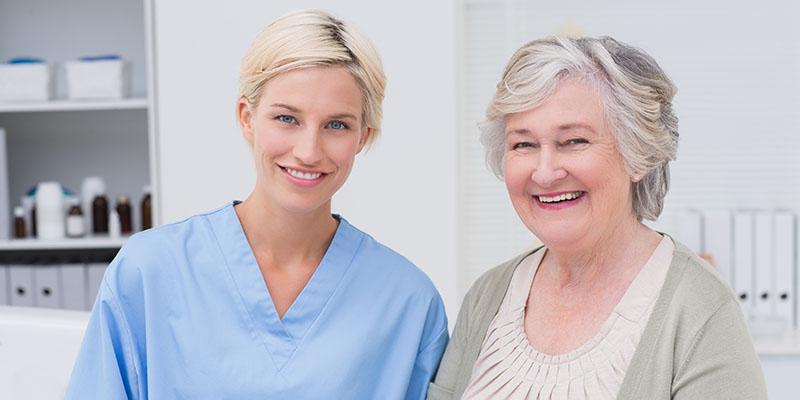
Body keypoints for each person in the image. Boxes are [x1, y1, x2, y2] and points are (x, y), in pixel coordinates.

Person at [66, 10, 448, 399]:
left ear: (363, 137)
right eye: (287, 118)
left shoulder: (408, 303)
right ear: (247, 118)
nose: (308, 151)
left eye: (337, 125)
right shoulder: (149, 272)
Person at [428, 36, 766, 399]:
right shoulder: (487, 296)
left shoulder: (700, 309)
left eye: (574, 141)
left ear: (638, 152)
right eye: (523, 144)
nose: (544, 173)